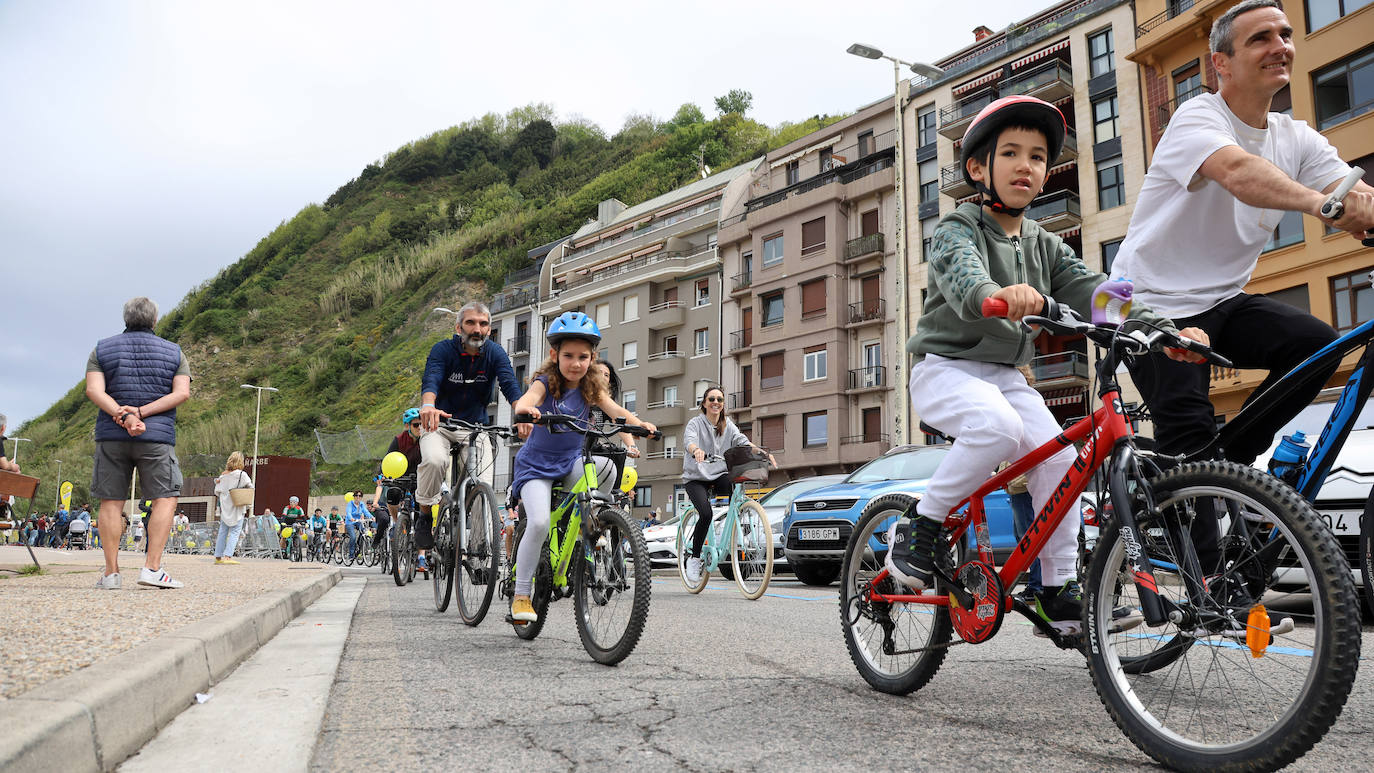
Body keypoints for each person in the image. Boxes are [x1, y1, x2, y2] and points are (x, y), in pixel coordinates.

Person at [885, 95, 1203, 634]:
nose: (1025, 166)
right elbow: (964, 280)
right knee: (997, 429)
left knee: (1062, 461)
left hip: (1007, 378)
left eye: (1037, 157)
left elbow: (1098, 291)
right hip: (945, 369)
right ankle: (922, 522)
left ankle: (1056, 589)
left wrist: (1162, 328)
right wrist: (996, 293)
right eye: (1010, 153)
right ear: (978, 169)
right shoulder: (956, 228)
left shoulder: (1045, 244)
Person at [1109, 1, 1374, 573]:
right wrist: (1322, 205)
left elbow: (1356, 194)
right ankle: (1209, 582)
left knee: (1317, 344)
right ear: (1221, 63)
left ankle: (1227, 458)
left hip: (1223, 298)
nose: (1280, 45)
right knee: (1187, 426)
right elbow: (1239, 174)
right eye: (1260, 38)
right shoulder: (1196, 118)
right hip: (1144, 301)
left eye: (1285, 34)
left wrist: (1360, 208)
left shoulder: (1295, 137)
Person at [508, 312, 656, 623]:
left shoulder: (591, 387)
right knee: (537, 523)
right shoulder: (545, 382)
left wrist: (639, 424)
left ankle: (591, 522)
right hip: (536, 466)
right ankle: (522, 595)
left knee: (605, 467)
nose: (576, 363)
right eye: (569, 356)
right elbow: (528, 399)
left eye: (583, 357)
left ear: (592, 358)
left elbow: (615, 411)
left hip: (571, 462)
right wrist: (525, 409)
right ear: (554, 355)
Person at [85, 296, 192, 589]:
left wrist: (121, 414)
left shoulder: (102, 349)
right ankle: (152, 569)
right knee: (165, 498)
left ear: (126, 319)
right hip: (156, 438)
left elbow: (94, 390)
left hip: (111, 436)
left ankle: (111, 574)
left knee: (111, 501)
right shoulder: (174, 352)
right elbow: (181, 393)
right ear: (155, 320)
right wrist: (142, 413)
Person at [416, 301, 523, 562]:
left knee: (482, 484)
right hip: (438, 423)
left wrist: (522, 414)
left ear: (489, 329)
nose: (477, 329)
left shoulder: (495, 353)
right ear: (458, 327)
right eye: (471, 323)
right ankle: (424, 513)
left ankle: (478, 551)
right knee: (434, 460)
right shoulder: (443, 350)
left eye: (484, 324)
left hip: (475, 427)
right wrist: (428, 405)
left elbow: (510, 387)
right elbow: (431, 378)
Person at [681, 385, 775, 584]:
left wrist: (762, 453)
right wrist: (696, 449)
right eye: (712, 399)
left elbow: (742, 441)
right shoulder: (695, 423)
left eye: (720, 400)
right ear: (705, 403)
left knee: (736, 493)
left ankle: (734, 529)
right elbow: (689, 441)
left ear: (723, 405)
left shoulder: (727, 425)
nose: (716, 402)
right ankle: (695, 558)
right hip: (696, 476)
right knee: (705, 513)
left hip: (718, 474)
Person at [374, 408, 422, 566]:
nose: (420, 427)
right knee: (392, 494)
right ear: (407, 426)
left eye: (422, 424)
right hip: (401, 476)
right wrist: (382, 475)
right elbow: (388, 459)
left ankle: (421, 556)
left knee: (423, 511)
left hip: (420, 477)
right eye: (416, 424)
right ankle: (397, 522)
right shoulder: (399, 440)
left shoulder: (427, 440)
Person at [213, 451, 252, 564]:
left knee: (223, 531)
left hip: (225, 507)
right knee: (235, 531)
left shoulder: (223, 475)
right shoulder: (242, 474)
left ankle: (218, 557)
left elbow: (217, 491)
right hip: (237, 506)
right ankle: (228, 556)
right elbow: (251, 486)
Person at [344, 491, 368, 560]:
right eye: (356, 495)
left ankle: (358, 548)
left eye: (360, 496)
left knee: (364, 532)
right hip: (350, 522)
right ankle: (351, 555)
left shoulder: (362, 504)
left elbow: (366, 511)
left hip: (358, 521)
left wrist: (372, 517)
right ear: (354, 497)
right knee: (353, 537)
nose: (358, 497)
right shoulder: (350, 503)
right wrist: (351, 518)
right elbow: (348, 512)